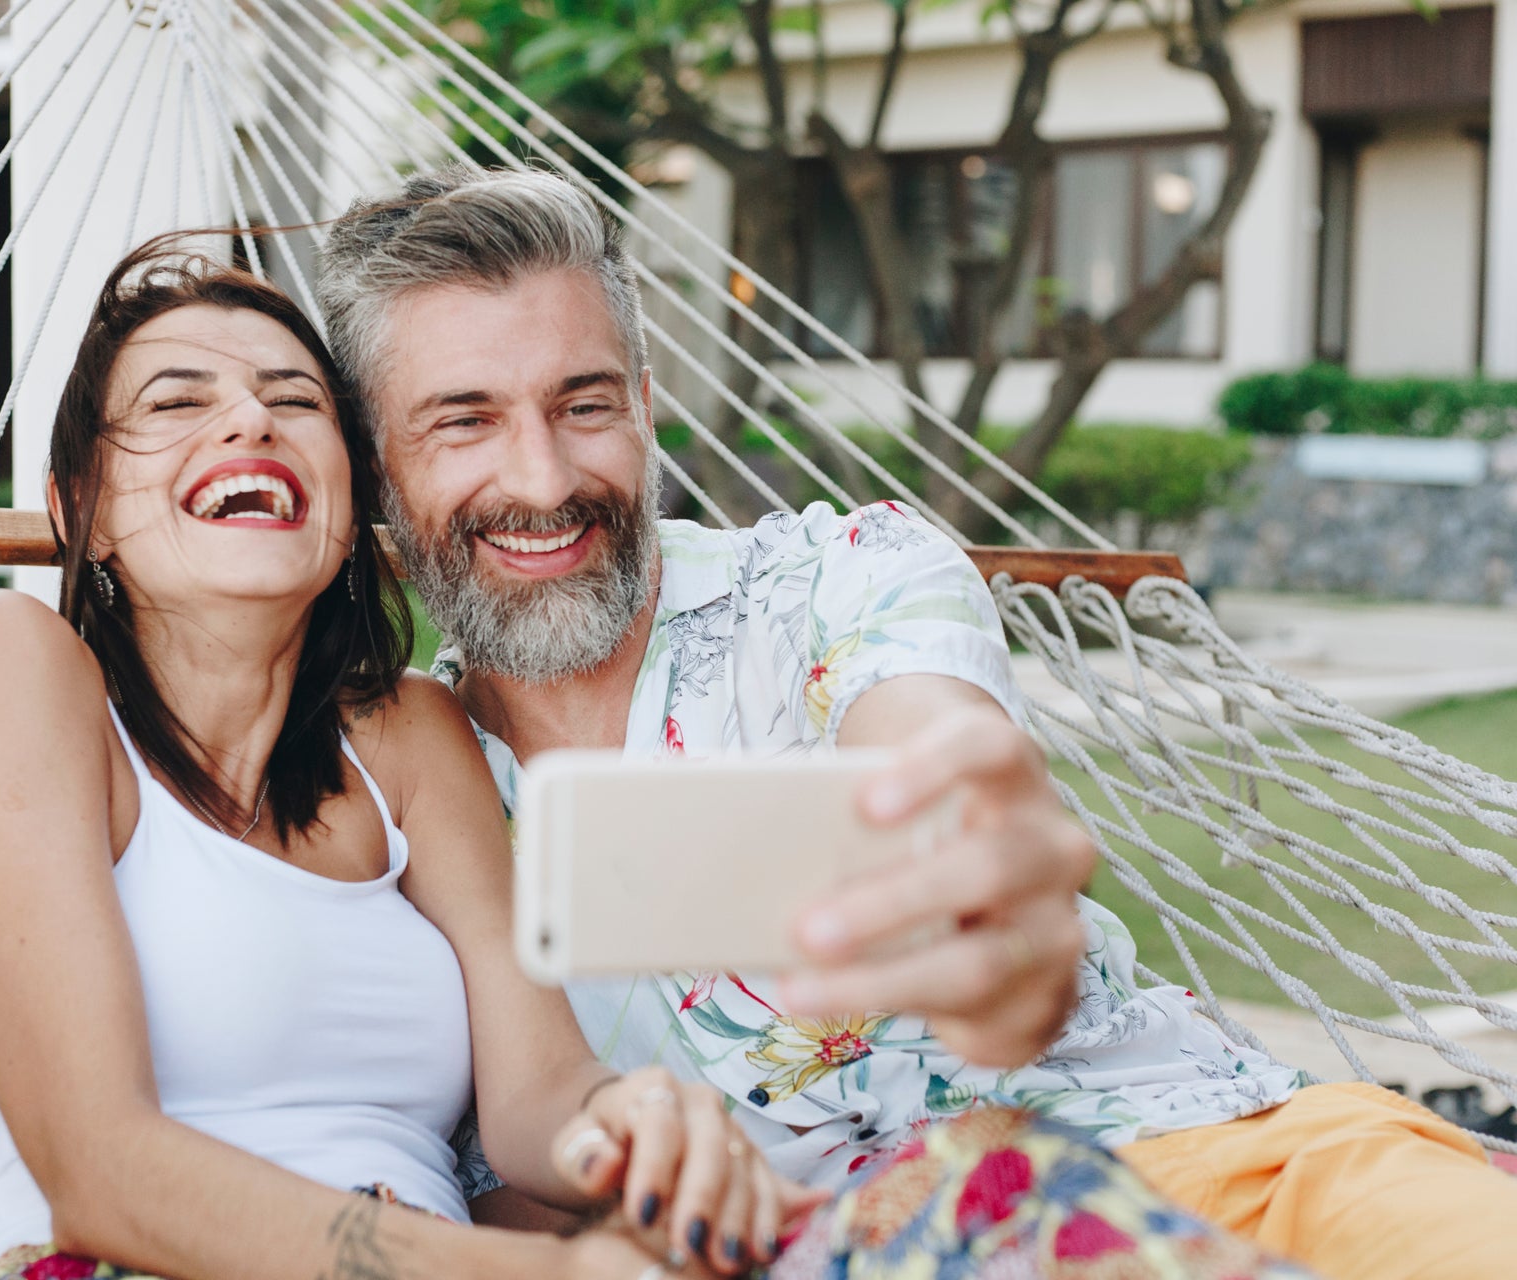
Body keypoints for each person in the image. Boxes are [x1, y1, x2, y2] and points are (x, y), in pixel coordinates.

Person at [0, 237, 1308, 1280]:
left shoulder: (409, 733)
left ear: (355, 501)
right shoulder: (14, 667)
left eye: (291, 398)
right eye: (174, 403)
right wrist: (553, 1273)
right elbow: (93, 1169)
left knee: (1006, 1192)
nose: (248, 421)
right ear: (77, 507)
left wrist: (634, 1124)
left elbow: (537, 1099)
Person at [314, 164, 1517, 1280]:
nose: (540, 478)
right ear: (377, 470)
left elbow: (941, 758)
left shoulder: (845, 578)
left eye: (581, 404)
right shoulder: (400, 790)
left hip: (1204, 1151)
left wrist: (1001, 921)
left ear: (640, 404)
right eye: (463, 421)